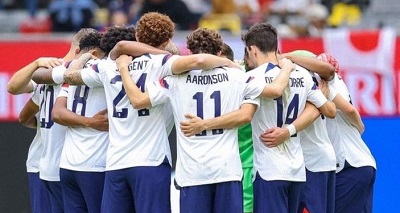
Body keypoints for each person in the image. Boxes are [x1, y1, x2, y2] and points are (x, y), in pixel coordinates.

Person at [242, 23, 336, 213]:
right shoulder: (302, 75)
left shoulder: (252, 78)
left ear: (251, 50)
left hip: (269, 170)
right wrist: (290, 130)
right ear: (276, 48)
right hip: (297, 171)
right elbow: (329, 110)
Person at [7, 28, 96, 213]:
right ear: (79, 51)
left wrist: (41, 125)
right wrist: (37, 62)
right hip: (57, 162)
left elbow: (24, 115)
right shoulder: (68, 74)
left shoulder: (48, 74)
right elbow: (12, 87)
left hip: (47, 162)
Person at [52, 31, 108, 213]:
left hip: (68, 165)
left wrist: (87, 121)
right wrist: (91, 122)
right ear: (97, 54)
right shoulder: (105, 70)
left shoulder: (70, 74)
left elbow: (58, 113)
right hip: (96, 164)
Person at [318, 53, 376, 213]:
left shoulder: (328, 85)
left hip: (350, 166)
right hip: (361, 164)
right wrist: (359, 125)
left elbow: (349, 110)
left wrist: (359, 124)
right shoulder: (333, 83)